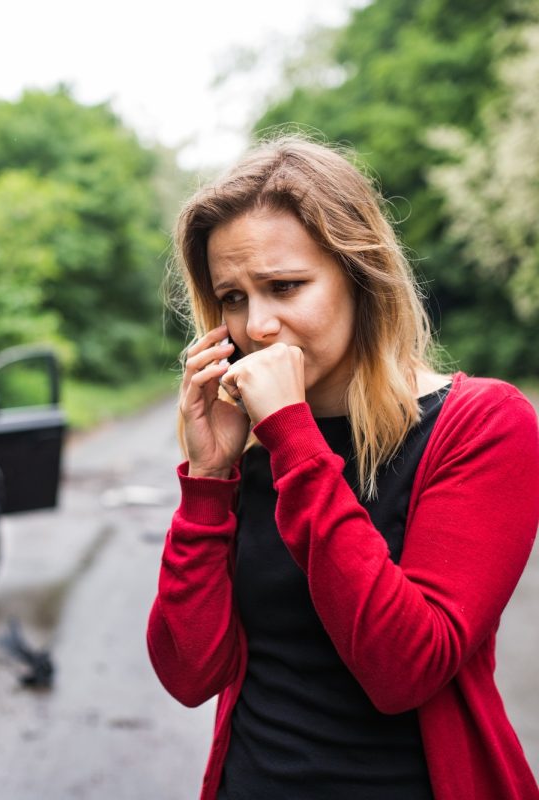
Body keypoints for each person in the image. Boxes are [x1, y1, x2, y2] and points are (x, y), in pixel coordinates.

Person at [146, 134, 539, 800]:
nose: (257, 324)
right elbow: (189, 673)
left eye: (285, 286)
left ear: (361, 276)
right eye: (234, 298)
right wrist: (209, 482)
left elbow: (404, 669)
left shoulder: (481, 425)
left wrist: (295, 440)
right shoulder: (252, 445)